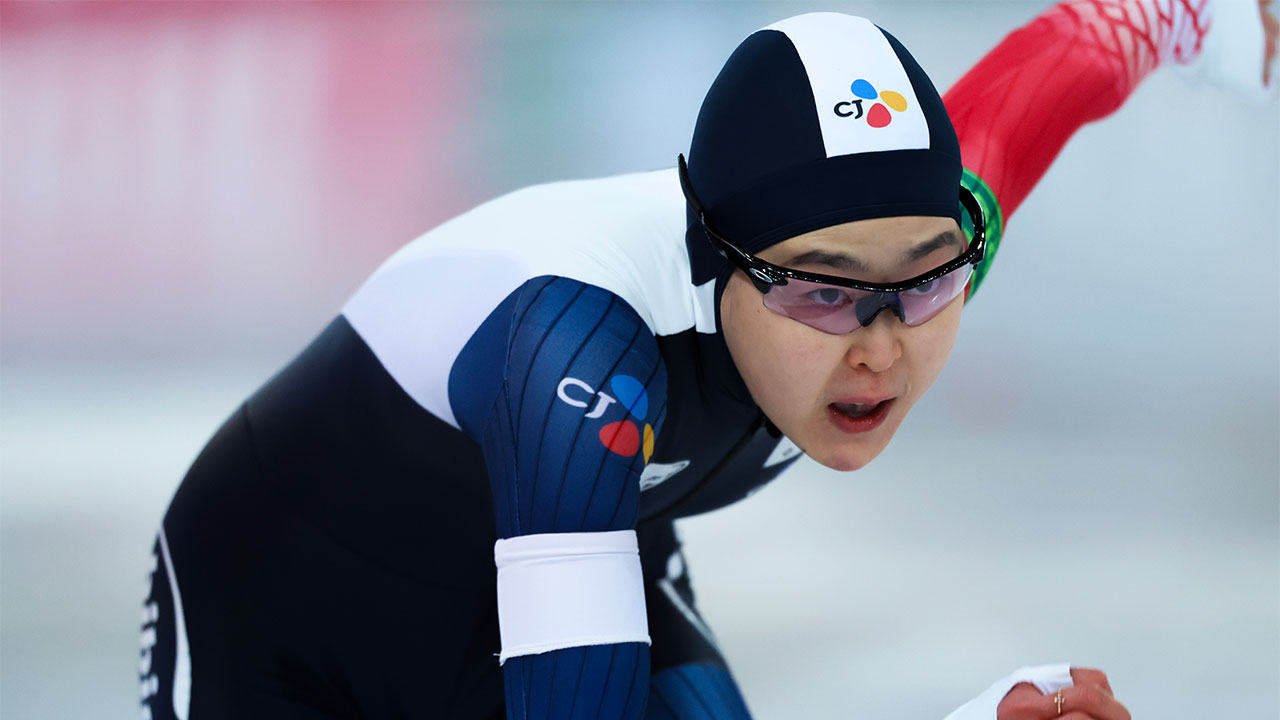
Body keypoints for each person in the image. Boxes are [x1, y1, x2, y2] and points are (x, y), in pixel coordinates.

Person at [138, 2, 1275, 719]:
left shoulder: (916, 247)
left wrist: (1214, 21)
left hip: (574, 541)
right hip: (280, 615)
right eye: (825, 292)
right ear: (712, 259)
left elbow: (1085, 45)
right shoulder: (575, 353)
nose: (881, 346)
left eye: (926, 284)